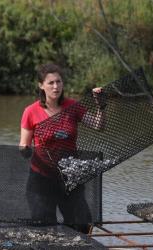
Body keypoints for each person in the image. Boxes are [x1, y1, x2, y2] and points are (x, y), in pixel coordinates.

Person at [19, 63, 105, 233]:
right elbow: (24, 144)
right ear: (41, 85)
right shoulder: (31, 111)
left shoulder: (73, 106)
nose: (56, 86)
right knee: (44, 227)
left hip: (69, 177)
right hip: (41, 179)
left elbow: (98, 125)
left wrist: (101, 107)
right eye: (50, 83)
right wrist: (25, 150)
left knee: (82, 224)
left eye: (59, 81)